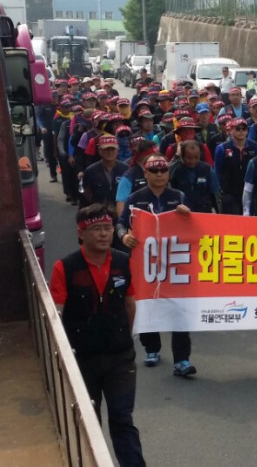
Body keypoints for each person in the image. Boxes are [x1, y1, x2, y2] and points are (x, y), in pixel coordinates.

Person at [48, 204, 147, 467]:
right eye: (96, 229)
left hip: (119, 358)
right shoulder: (65, 268)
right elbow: (56, 315)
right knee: (87, 422)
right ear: (81, 234)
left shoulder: (123, 262)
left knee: (122, 419)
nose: (104, 234)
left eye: (107, 228)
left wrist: (123, 338)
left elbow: (130, 304)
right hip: (82, 359)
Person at [117, 155, 197, 377]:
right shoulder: (135, 199)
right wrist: (124, 237)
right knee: (147, 305)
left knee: (179, 310)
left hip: (176, 264)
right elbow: (121, 224)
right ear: (146, 174)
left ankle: (182, 360)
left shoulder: (179, 197)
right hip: (146, 263)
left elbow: (196, 227)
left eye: (163, 170)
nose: (159, 175)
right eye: (154, 171)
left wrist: (188, 216)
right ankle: (151, 348)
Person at [214, 117, 257, 215]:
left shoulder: (255, 146)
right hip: (229, 192)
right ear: (231, 130)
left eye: (244, 129)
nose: (241, 131)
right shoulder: (222, 148)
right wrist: (220, 192)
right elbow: (217, 171)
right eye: (238, 129)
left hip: (249, 191)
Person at [79, 134, 129, 212]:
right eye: (106, 149)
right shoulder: (90, 171)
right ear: (99, 150)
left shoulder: (126, 169)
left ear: (117, 150)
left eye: (112, 149)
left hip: (121, 214)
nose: (110, 152)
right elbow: (85, 198)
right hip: (98, 214)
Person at [169, 139, 222, 213]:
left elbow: (216, 193)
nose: (193, 161)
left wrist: (219, 213)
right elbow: (167, 174)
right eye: (189, 158)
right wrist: (177, 156)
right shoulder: (176, 169)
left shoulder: (207, 169)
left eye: (196, 157)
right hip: (183, 212)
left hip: (204, 212)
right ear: (182, 156)